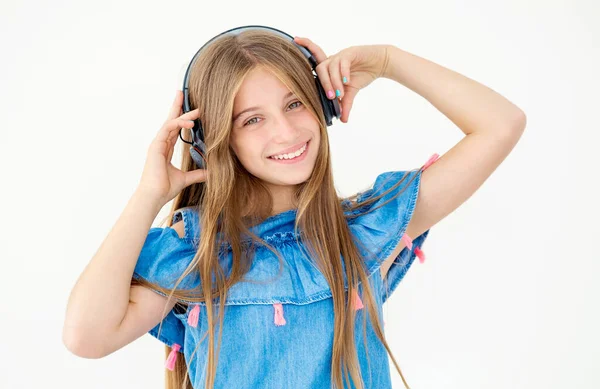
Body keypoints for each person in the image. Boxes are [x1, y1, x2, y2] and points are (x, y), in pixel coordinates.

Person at [62, 27, 526, 389]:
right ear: (215, 139)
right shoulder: (196, 256)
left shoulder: (367, 229)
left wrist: (387, 60)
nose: (286, 132)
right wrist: (148, 195)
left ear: (323, 107)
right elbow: (86, 336)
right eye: (254, 120)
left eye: (295, 103)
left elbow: (501, 124)